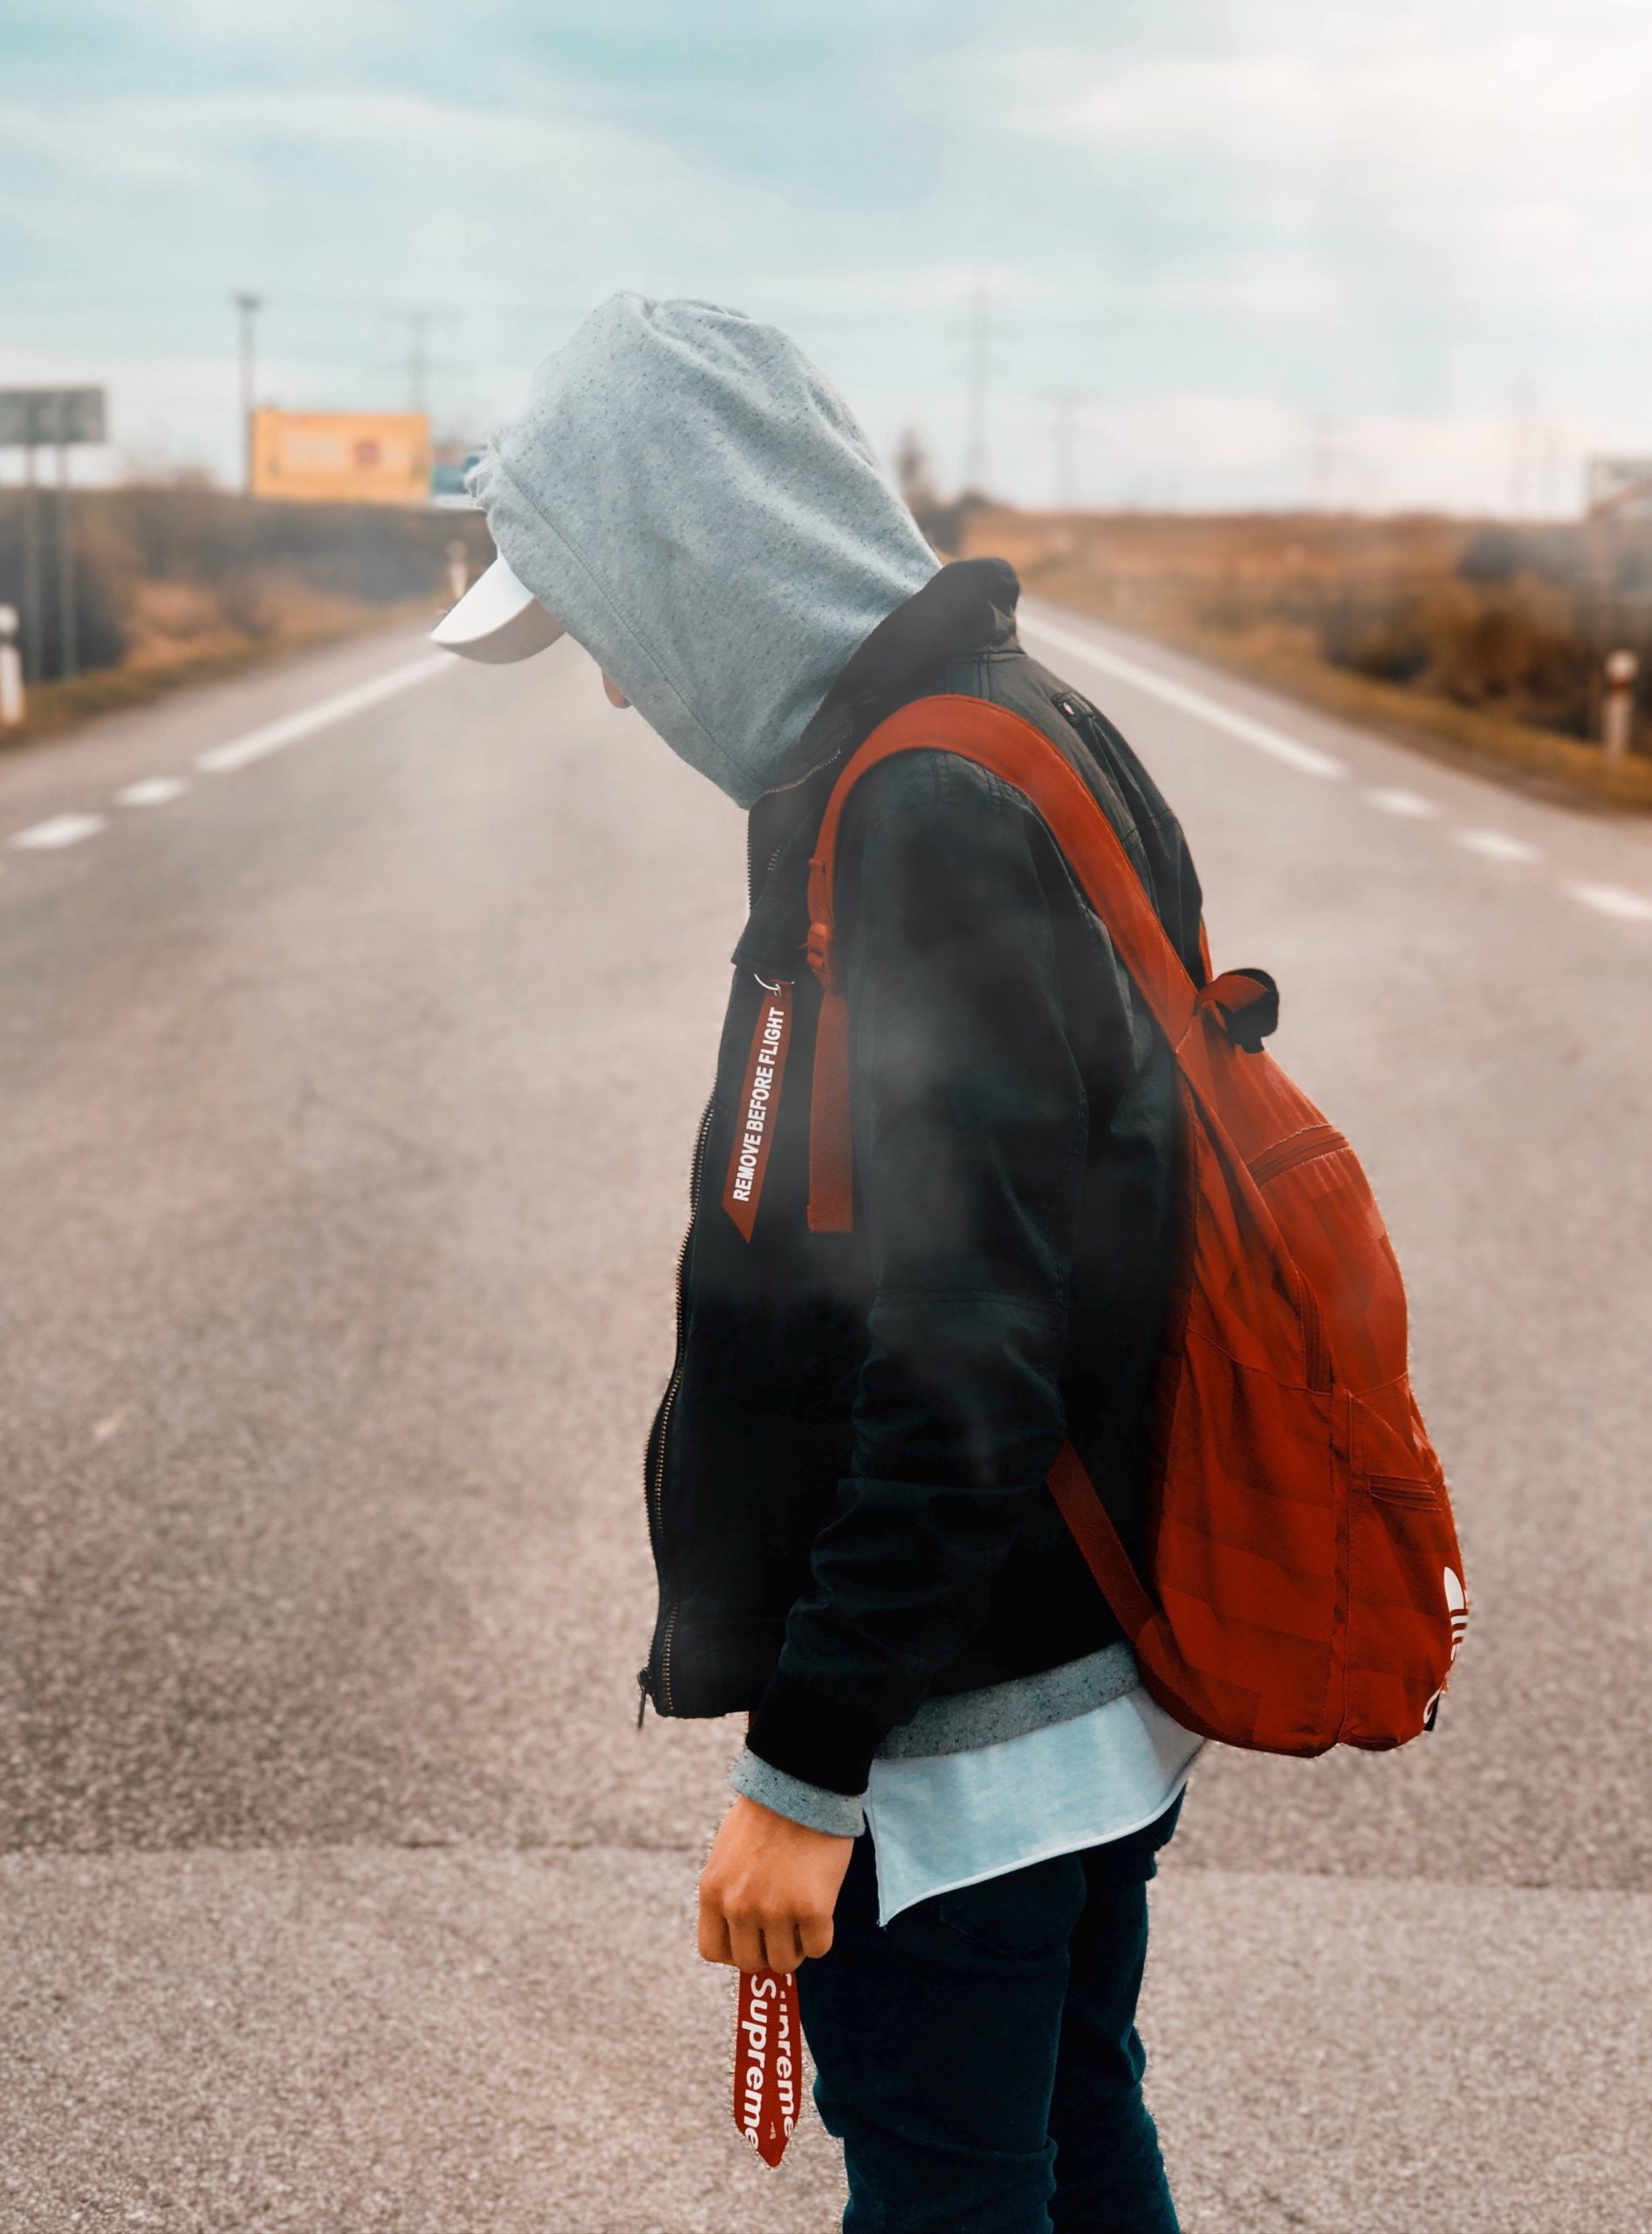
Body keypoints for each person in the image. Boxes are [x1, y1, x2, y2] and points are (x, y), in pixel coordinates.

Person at [434, 292, 1204, 2234]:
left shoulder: (910, 812)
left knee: (951, 2181)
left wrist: (803, 1766)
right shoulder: (1016, 727)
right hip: (1078, 1666)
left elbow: (963, 1349)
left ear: (701, 561)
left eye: (602, 623)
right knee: (1062, 2124)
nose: (610, 688)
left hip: (956, 1717)